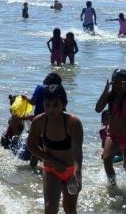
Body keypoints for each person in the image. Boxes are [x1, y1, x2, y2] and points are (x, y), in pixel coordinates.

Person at [27, 84, 84, 214]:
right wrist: (52, 161)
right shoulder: (39, 122)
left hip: (71, 171)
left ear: (63, 104)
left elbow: (77, 151)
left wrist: (77, 174)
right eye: (47, 105)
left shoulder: (73, 123)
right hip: (51, 169)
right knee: (50, 209)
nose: (50, 110)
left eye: (55, 105)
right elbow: (31, 145)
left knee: (70, 209)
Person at [94, 69, 126, 186]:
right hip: (113, 135)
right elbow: (98, 109)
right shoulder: (110, 96)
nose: (118, 86)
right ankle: (113, 185)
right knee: (106, 159)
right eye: (115, 82)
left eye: (121, 83)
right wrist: (105, 92)